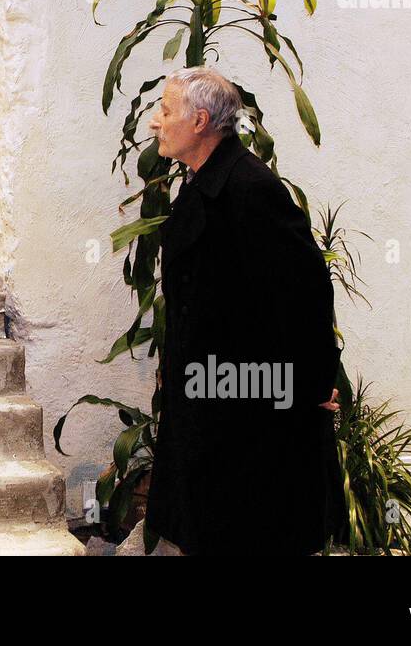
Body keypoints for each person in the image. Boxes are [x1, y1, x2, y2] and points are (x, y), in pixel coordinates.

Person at [142, 66, 343, 555]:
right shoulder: (202, 182)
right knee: (210, 521)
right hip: (210, 392)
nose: (154, 122)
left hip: (250, 399)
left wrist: (314, 384)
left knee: (248, 523)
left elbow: (306, 290)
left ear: (200, 121)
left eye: (166, 111)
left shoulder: (252, 189)